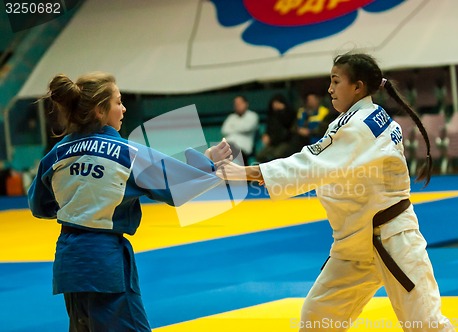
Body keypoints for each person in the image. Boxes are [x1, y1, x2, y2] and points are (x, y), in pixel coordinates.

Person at [216, 53, 454, 331]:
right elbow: (322, 165)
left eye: (335, 81)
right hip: (354, 243)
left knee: (425, 324)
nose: (329, 89)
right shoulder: (364, 117)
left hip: (392, 241)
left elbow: (310, 165)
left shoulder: (359, 125)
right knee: (317, 320)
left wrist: (243, 173)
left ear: (358, 87)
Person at [27, 72, 231, 332]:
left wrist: (79, 202)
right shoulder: (127, 154)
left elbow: (38, 206)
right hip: (105, 264)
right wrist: (208, 162)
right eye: (118, 101)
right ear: (100, 111)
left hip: (69, 264)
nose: (123, 108)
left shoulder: (55, 155)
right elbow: (175, 187)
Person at [255, 94, 296, 163]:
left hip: (285, 142)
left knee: (277, 155)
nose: (276, 105)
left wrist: (282, 110)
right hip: (272, 142)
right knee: (260, 155)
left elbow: (289, 125)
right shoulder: (271, 116)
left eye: (278, 103)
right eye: (274, 103)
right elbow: (269, 129)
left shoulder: (290, 114)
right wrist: (265, 135)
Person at [221, 95, 259, 165]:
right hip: (227, 147)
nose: (237, 106)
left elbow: (247, 128)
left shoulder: (253, 116)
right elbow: (224, 130)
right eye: (236, 104)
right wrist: (239, 128)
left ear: (246, 104)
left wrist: (233, 127)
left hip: (243, 149)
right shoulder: (231, 117)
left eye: (239, 103)